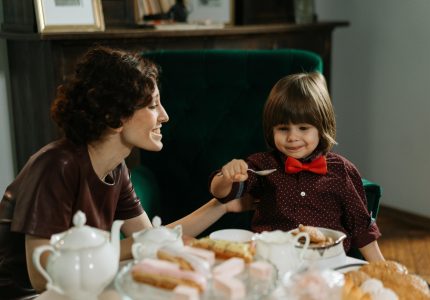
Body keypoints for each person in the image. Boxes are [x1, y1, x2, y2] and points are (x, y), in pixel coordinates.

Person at [0, 46, 252, 299]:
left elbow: (152, 237)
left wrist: (221, 205)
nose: (164, 116)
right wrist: (125, 249)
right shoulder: (57, 165)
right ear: (115, 116)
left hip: (82, 287)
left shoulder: (116, 168)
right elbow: (41, 278)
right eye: (153, 106)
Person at [210, 72, 385, 262]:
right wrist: (226, 177)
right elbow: (222, 194)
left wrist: (382, 269)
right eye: (283, 129)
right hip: (272, 260)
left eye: (303, 128)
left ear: (322, 127)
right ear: (272, 130)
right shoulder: (262, 165)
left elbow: (361, 228)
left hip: (327, 263)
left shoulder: (342, 170)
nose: (292, 137)